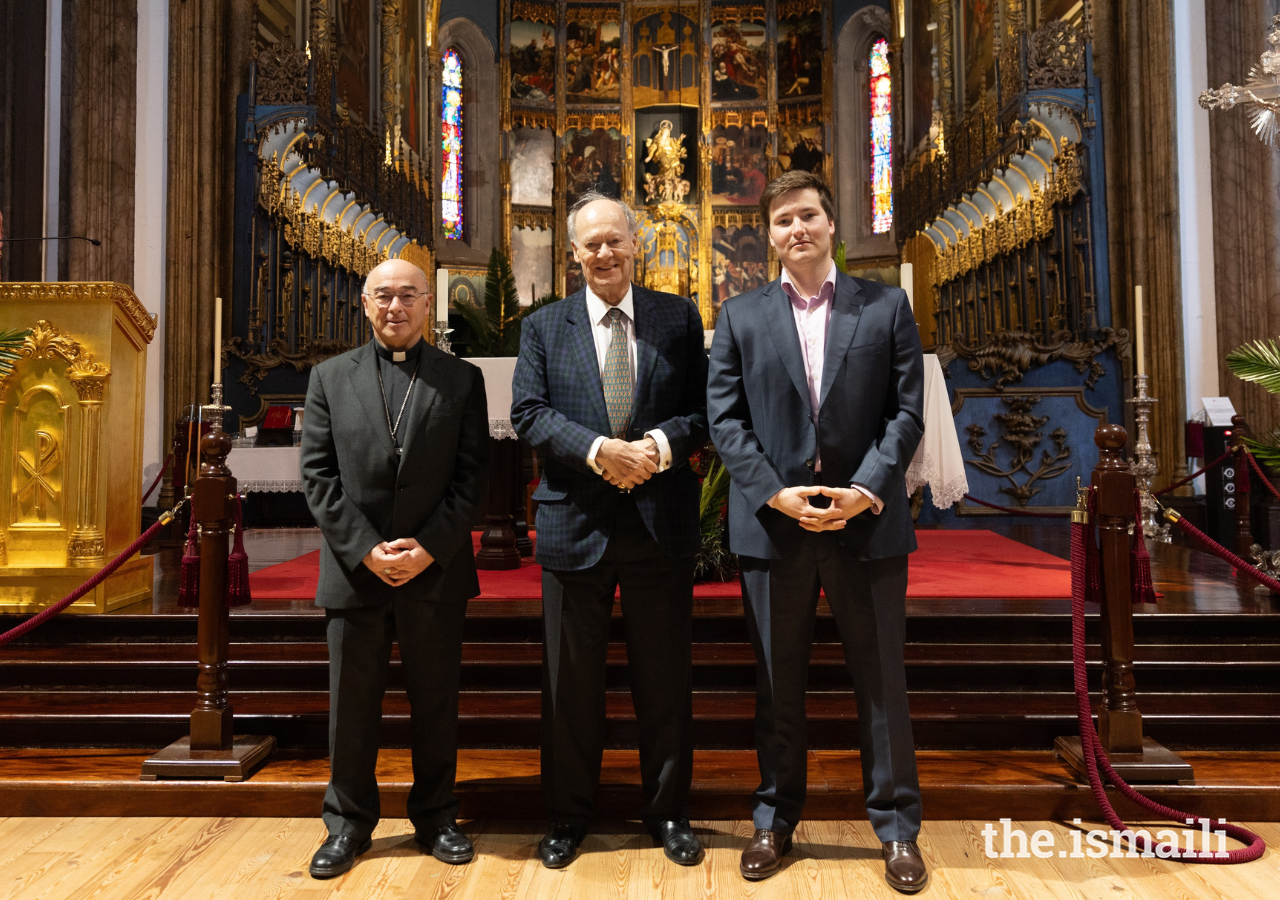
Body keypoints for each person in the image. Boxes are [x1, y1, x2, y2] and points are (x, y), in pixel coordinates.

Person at [706, 170, 928, 893]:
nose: (796, 229)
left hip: (866, 525)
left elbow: (906, 412)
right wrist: (776, 493)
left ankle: (896, 830)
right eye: (782, 221)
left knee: (881, 683)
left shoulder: (886, 305)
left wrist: (865, 489)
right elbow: (726, 421)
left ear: (832, 225)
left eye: (808, 216)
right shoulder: (739, 317)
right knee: (778, 684)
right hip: (776, 528)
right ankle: (774, 819)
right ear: (768, 237)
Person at [510, 192, 709, 870]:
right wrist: (602, 452)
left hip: (660, 521)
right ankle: (567, 816)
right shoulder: (544, 326)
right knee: (569, 685)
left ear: (635, 245)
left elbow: (703, 411)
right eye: (590, 244)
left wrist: (652, 447)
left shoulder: (677, 318)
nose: (603, 253)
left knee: (665, 678)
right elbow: (530, 413)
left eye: (613, 241)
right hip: (577, 521)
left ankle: (670, 812)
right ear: (573, 254)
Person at [301, 258, 489, 879]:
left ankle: (436, 816)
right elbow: (318, 476)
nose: (395, 306)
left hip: (434, 570)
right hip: (356, 572)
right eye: (383, 295)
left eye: (408, 294)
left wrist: (429, 547)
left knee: (436, 702)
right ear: (364, 303)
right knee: (351, 707)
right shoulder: (329, 377)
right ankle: (348, 824)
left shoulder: (461, 379)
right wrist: (364, 548)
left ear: (428, 303)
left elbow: (471, 478)